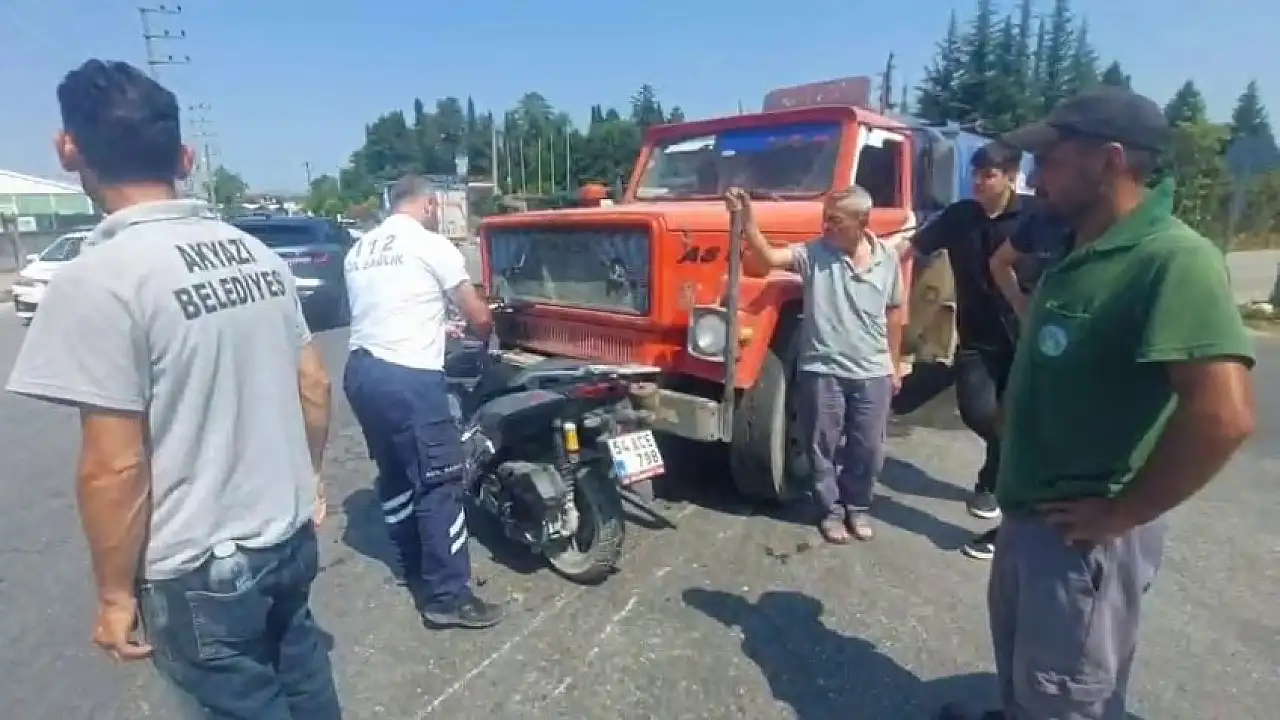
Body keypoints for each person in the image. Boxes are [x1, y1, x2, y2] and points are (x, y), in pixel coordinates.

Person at [5, 60, 341, 718]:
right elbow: (314, 382)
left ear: (68, 149)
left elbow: (114, 465)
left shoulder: (100, 278)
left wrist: (113, 596)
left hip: (201, 569)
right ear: (184, 157)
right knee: (307, 689)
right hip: (287, 536)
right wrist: (312, 479)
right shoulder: (256, 255)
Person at [939, 87, 1256, 720]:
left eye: (1052, 159)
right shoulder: (1075, 248)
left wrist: (1124, 512)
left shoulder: (1172, 259)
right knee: (1027, 675)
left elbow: (1223, 417)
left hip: (1082, 536)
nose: (1035, 177)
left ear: (1110, 161)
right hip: (1030, 514)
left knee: (1066, 697)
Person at [343, 174, 503, 629]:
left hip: (362, 372)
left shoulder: (360, 250)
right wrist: (483, 340)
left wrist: (437, 327)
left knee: (396, 474)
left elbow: (392, 308)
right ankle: (448, 596)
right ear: (429, 205)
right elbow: (478, 314)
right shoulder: (430, 244)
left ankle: (413, 565)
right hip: (408, 378)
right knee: (440, 480)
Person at [908, 142, 1068, 552]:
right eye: (975, 174)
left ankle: (994, 485)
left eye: (988, 175)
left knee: (1016, 419)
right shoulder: (960, 216)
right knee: (978, 411)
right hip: (976, 337)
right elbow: (913, 248)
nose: (978, 182)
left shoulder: (1035, 216)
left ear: (1010, 176)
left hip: (1026, 340)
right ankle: (1001, 469)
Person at [725, 185, 905, 544]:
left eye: (835, 220)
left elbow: (894, 313)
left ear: (861, 221)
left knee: (869, 448)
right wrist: (746, 219)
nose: (827, 226)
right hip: (823, 370)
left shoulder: (888, 257)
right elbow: (767, 258)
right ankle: (831, 511)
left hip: (873, 370)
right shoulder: (813, 253)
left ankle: (858, 506)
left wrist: (895, 363)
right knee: (822, 446)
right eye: (825, 218)